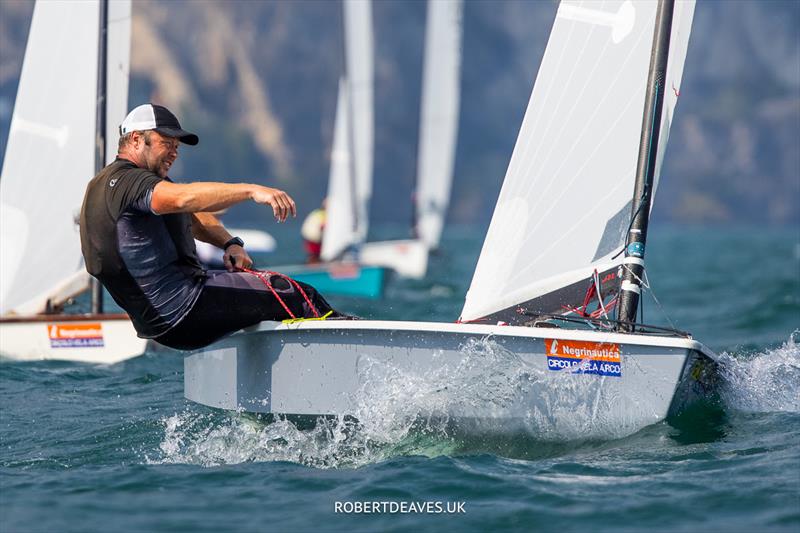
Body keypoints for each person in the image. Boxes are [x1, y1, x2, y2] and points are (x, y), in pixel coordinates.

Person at [80, 103, 346, 350]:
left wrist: (229, 243)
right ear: (137, 139)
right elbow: (184, 197)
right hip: (189, 308)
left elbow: (190, 213)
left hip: (161, 325)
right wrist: (252, 190)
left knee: (262, 299)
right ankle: (353, 345)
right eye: (166, 142)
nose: (174, 152)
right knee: (297, 294)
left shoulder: (102, 184)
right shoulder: (132, 182)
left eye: (177, 145)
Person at [300, 199, 326, 264]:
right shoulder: (322, 214)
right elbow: (322, 226)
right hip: (314, 240)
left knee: (314, 257)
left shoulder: (316, 213)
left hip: (311, 239)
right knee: (315, 257)